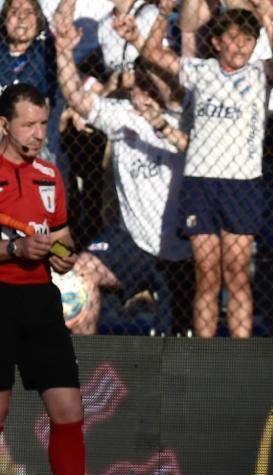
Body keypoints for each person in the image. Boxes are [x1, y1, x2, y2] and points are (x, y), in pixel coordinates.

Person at [0, 83, 121, 475]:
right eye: (26, 124)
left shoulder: (50, 175)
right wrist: (13, 247)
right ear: (4, 124)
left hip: (40, 300)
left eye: (42, 124)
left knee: (69, 410)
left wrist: (64, 256)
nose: (35, 133)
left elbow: (61, 234)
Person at [124, 0, 273, 337]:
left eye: (247, 40)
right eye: (232, 39)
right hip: (201, 183)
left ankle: (239, 356)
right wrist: (164, 13)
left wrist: (267, 19)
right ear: (216, 42)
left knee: (237, 272)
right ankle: (204, 358)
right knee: (207, 273)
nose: (239, 46)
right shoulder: (201, 70)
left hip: (242, 183)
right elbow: (151, 54)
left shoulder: (260, 74)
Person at [55, 16, 191, 335]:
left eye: (149, 78)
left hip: (182, 246)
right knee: (79, 276)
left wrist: (158, 120)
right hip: (134, 239)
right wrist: (63, 53)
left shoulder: (185, 116)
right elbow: (78, 99)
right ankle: (81, 373)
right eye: (138, 78)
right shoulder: (122, 116)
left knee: (181, 340)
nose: (142, 85)